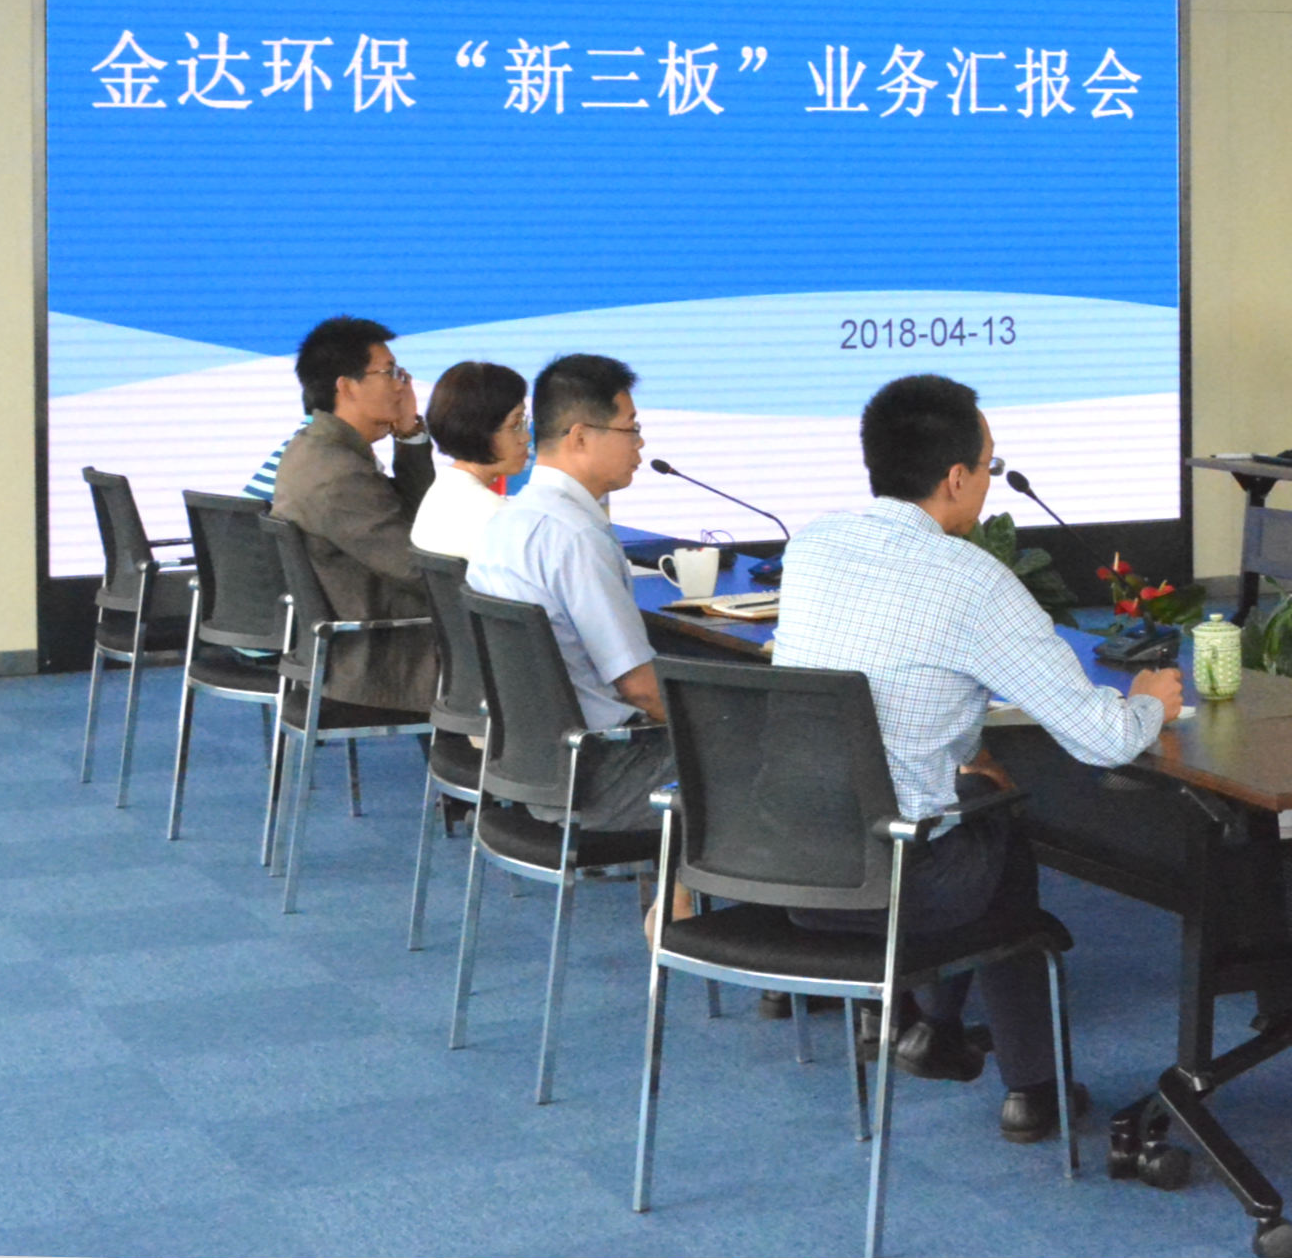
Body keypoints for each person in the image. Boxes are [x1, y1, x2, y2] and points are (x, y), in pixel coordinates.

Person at [772, 373, 1183, 1138]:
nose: (992, 483)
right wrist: (1152, 698)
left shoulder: (814, 544)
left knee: (975, 793)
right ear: (956, 477)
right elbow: (1101, 739)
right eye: (990, 466)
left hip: (792, 863)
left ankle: (932, 1031)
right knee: (1000, 828)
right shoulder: (971, 579)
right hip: (900, 884)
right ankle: (1031, 1091)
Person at [462, 354, 673, 832]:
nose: (640, 444)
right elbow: (639, 688)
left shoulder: (505, 522)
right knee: (772, 754)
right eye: (631, 429)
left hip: (532, 770)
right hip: (604, 776)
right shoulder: (575, 534)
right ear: (580, 436)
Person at [268, 314, 438, 714]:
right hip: (382, 655)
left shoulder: (315, 447)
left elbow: (417, 520)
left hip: (353, 646)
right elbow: (418, 569)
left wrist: (409, 432)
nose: (402, 384)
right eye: (389, 372)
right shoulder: (338, 474)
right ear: (346, 387)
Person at [410, 361, 530, 560]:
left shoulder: (440, 494)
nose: (526, 437)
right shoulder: (498, 517)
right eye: (515, 424)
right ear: (478, 430)